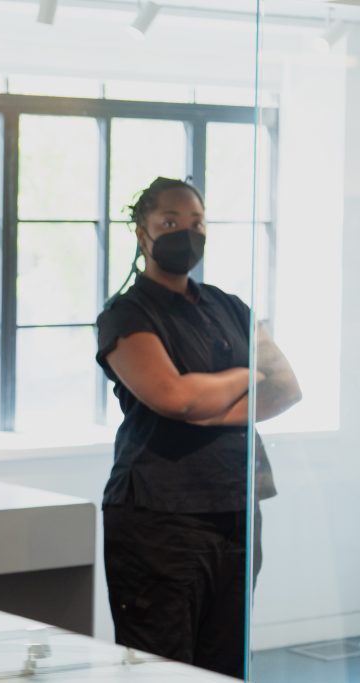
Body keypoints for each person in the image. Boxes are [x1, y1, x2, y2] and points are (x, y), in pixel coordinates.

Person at [95, 177, 301, 678]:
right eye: (170, 223)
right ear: (142, 234)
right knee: (162, 667)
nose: (185, 234)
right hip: (159, 519)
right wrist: (244, 375)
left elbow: (287, 387)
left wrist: (209, 407)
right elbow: (172, 396)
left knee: (227, 664)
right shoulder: (126, 314)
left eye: (196, 223)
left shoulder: (228, 306)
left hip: (235, 510)